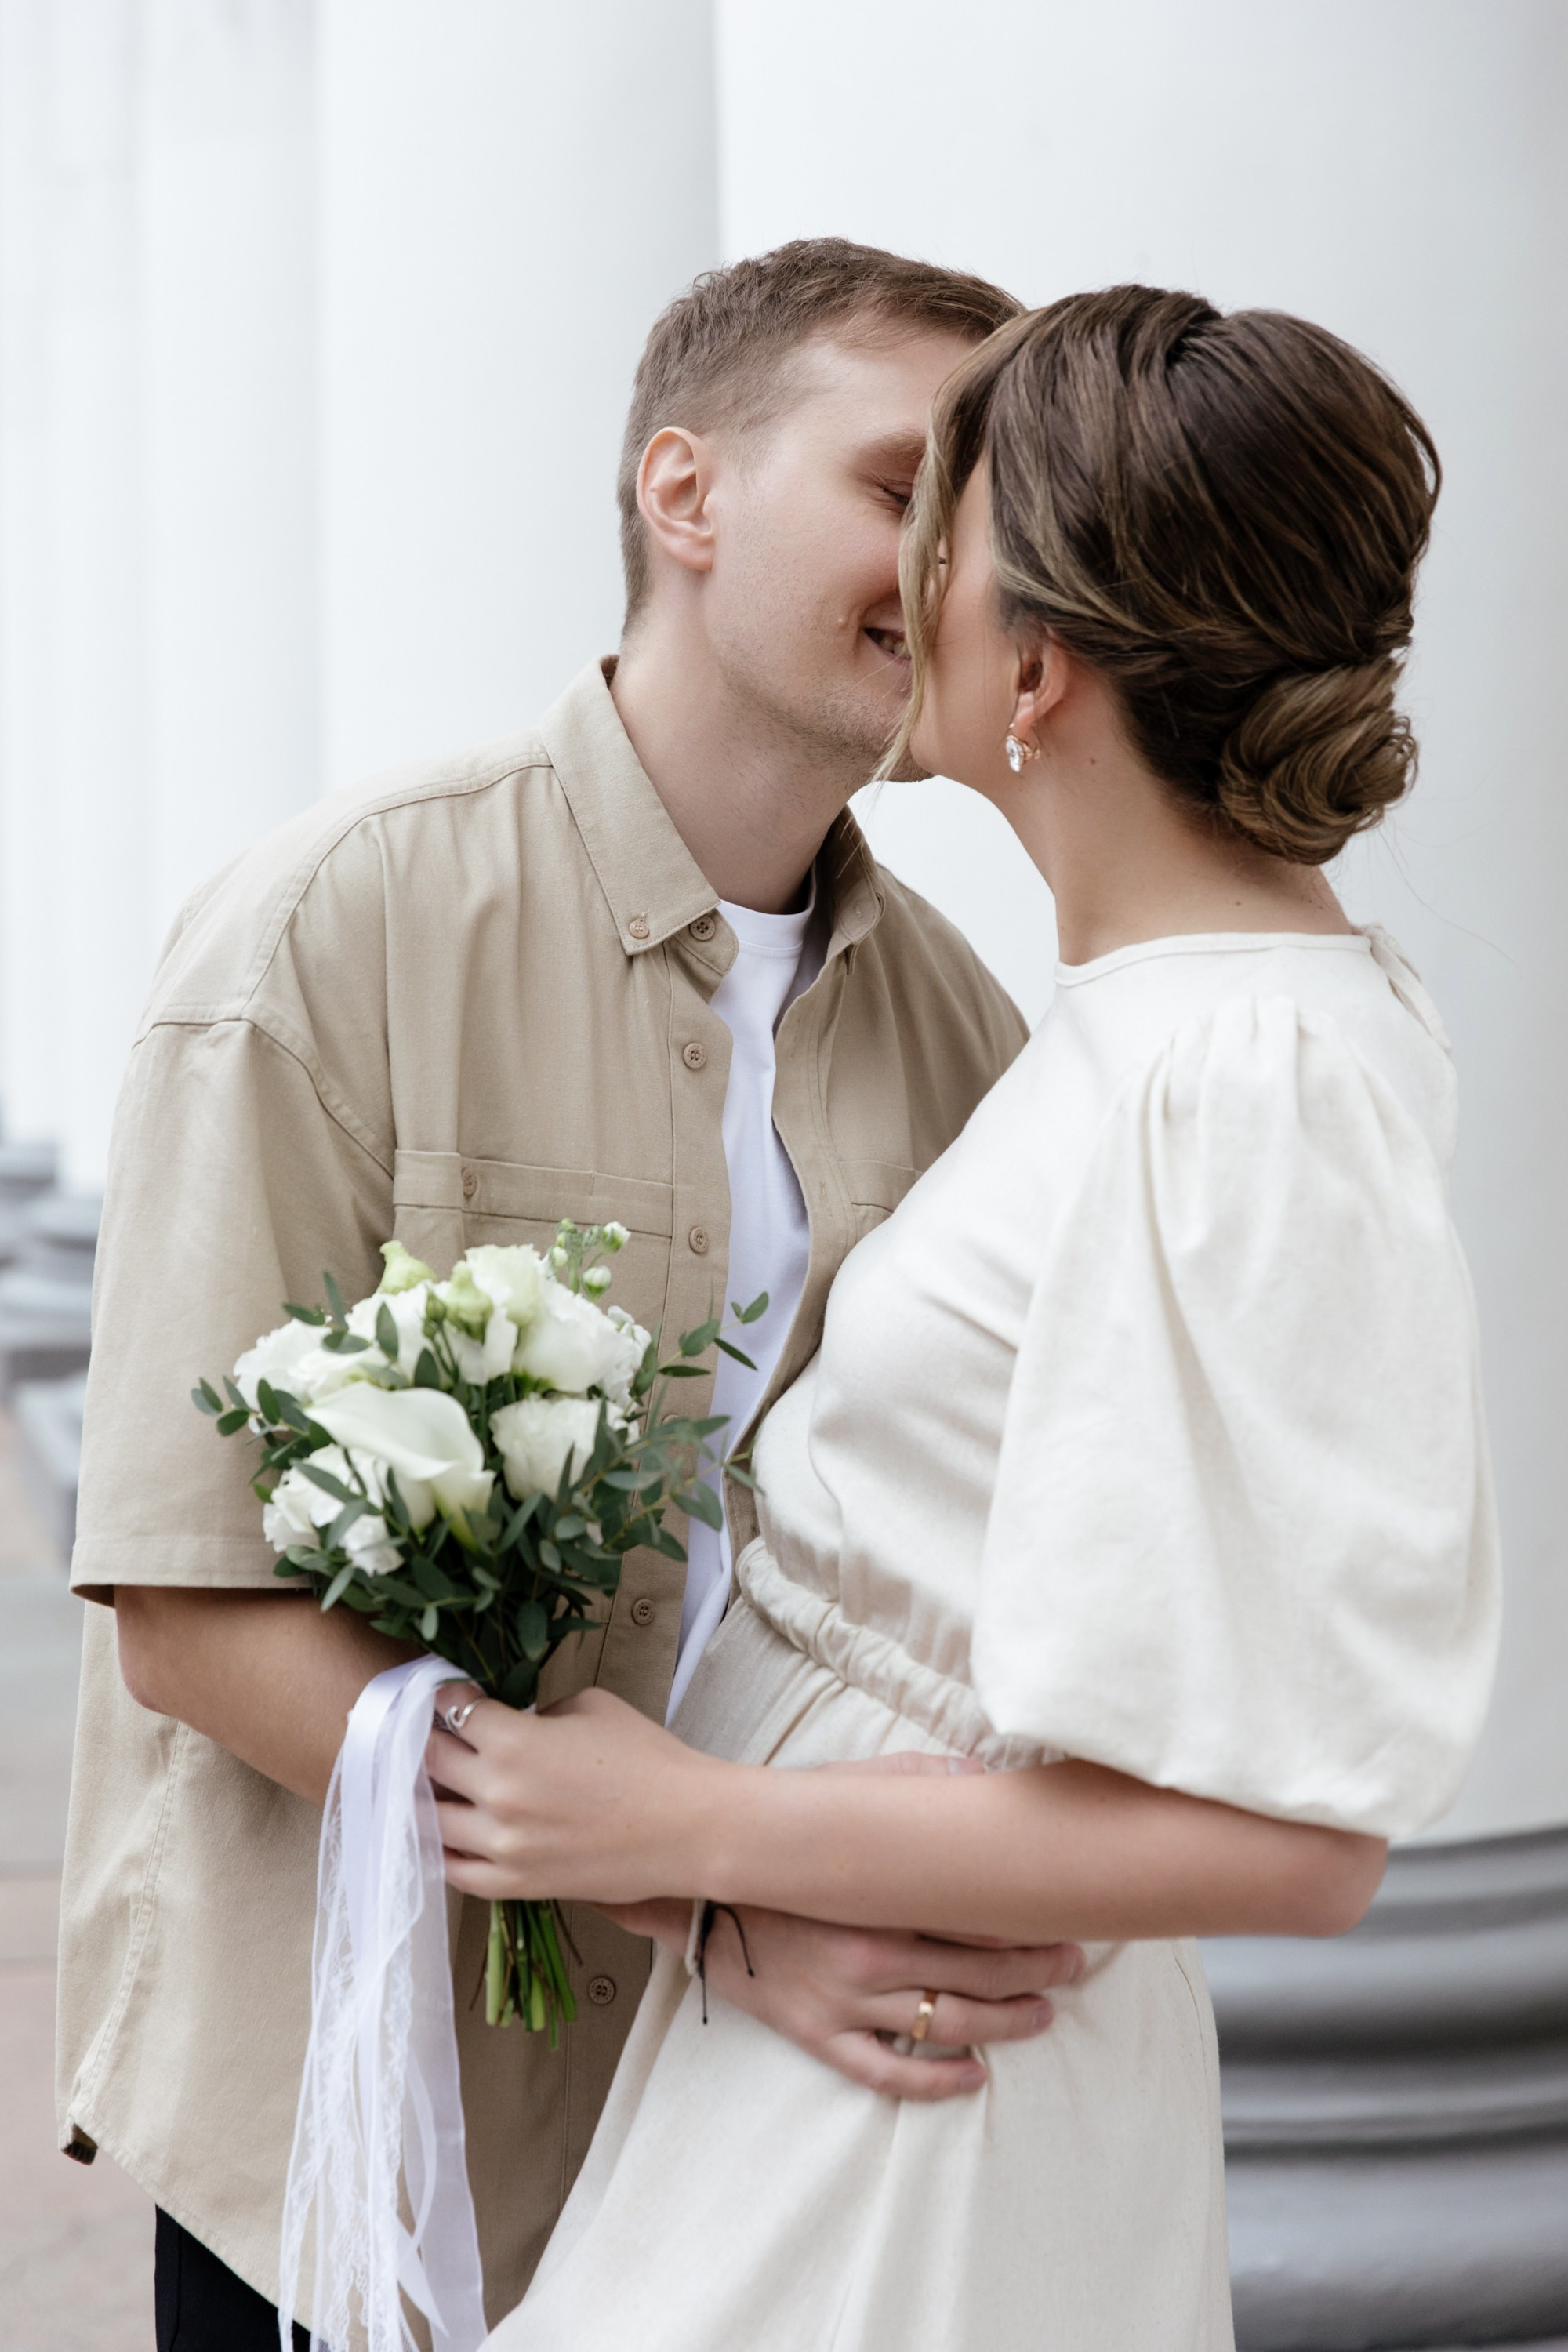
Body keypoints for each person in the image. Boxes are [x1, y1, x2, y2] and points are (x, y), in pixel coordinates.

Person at [431, 287, 1502, 2352]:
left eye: (948, 521)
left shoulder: (1254, 1070)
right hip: (851, 2030)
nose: (900, 574)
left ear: (1042, 670)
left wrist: (692, 1826)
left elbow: (1301, 1839)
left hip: (931, 2088)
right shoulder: (1142, 1032)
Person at [56, 240, 1096, 2351]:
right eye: (906, 481)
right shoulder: (333, 933)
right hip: (365, 2118)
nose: (957, 564)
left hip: (753, 2129)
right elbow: (185, 1608)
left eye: (995, 524)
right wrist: (712, 1901)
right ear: (684, 493)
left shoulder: (980, 1044)